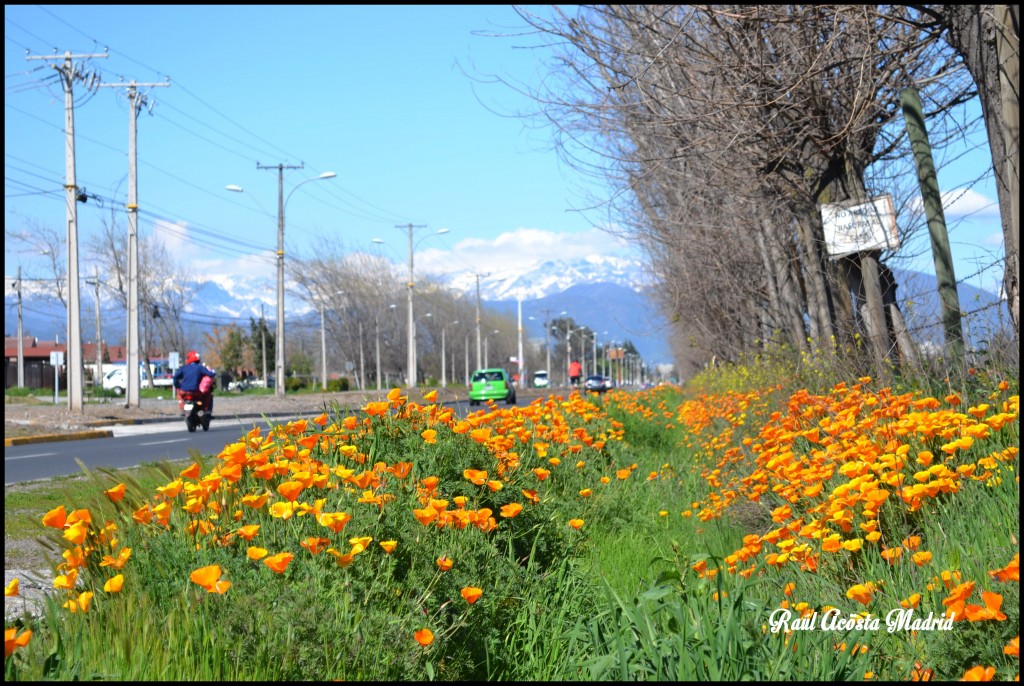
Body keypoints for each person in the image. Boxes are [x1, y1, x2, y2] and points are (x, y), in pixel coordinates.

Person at [173, 350, 216, 415]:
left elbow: (175, 377)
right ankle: (205, 409)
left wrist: (178, 386)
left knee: (178, 393)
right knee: (207, 394)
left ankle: (182, 408)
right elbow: (210, 374)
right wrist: (213, 372)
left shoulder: (184, 368)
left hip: (183, 391)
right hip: (195, 392)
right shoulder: (200, 367)